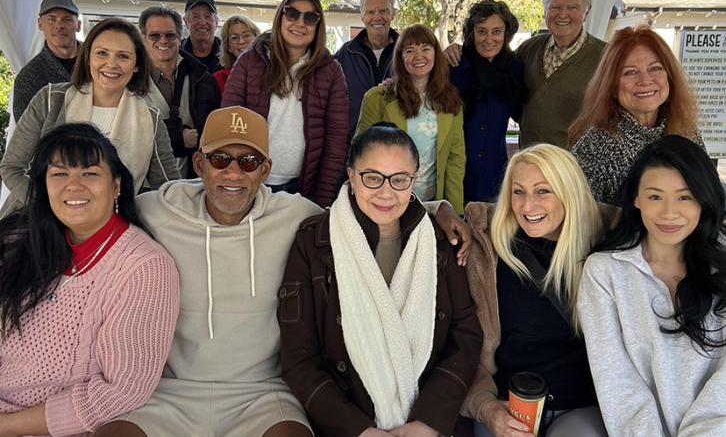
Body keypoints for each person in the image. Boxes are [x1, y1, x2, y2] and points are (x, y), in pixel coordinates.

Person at [95, 108, 469, 437]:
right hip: (170, 389)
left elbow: (368, 207)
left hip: (262, 393)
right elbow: (90, 213)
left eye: (248, 162)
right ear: (199, 164)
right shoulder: (154, 211)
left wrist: (438, 209)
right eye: (220, 158)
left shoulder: (296, 216)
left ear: (266, 169)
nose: (233, 173)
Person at [279, 123, 482, 437]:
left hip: (430, 421)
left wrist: (428, 421)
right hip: (346, 423)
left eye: (399, 180)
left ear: (414, 179)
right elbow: (298, 358)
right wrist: (358, 429)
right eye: (372, 177)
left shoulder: (440, 241)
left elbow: (466, 336)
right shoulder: (314, 242)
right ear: (351, 175)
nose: (386, 193)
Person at [0, 123, 180, 436]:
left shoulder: (144, 268)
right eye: (59, 173)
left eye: (90, 173)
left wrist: (7, 427)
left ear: (117, 185)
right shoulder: (21, 240)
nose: (73, 186)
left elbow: (123, 389)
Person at [578, 135, 726, 436]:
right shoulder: (605, 273)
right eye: (655, 196)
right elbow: (618, 383)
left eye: (685, 197)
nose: (669, 212)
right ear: (636, 198)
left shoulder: (722, 262)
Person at [462, 144, 607, 437]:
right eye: (518, 191)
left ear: (570, 192)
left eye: (543, 191)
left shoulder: (605, 248)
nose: (527, 206)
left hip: (580, 405)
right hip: (505, 403)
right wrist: (485, 407)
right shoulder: (487, 251)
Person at [0, 17, 180, 217]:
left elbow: (168, 188)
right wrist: (50, 206)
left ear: (137, 64)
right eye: (102, 53)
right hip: (39, 220)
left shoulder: (151, 119)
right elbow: (12, 167)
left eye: (123, 56)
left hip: (109, 230)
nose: (111, 64)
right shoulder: (51, 100)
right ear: (87, 57)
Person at [445, 0, 606, 149]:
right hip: (527, 164)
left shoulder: (606, 57)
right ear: (546, 10)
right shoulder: (529, 50)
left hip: (571, 170)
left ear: (586, 11)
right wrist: (454, 50)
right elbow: (494, 61)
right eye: (555, 7)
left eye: (572, 7)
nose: (563, 14)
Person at [221, 0, 348, 208]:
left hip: (303, 188)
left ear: (318, 26)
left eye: (310, 18)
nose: (300, 23)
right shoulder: (249, 62)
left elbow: (336, 141)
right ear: (281, 16)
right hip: (250, 180)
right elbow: (228, 124)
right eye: (292, 13)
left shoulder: (331, 71)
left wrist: (322, 200)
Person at [570, 25, 702, 205]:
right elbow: (577, 216)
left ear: (669, 77)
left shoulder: (688, 133)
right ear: (612, 86)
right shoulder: (594, 146)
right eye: (630, 72)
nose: (645, 80)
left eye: (655, 68)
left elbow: (708, 195)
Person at [356, 24, 465, 213]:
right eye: (410, 50)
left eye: (425, 49)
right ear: (400, 57)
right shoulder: (378, 99)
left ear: (435, 54)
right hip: (386, 201)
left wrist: (454, 211)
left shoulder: (451, 102)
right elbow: (360, 154)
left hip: (432, 203)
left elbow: (455, 159)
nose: (418, 56)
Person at [449, 0, 527, 203]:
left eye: (496, 31)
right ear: (471, 33)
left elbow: (522, 111)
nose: (489, 39)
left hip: (495, 175)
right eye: (481, 31)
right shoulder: (455, 65)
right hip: (456, 174)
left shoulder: (515, 70)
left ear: (506, 33)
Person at [139, 6, 221, 178]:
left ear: (180, 37)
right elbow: (124, 135)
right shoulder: (128, 81)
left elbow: (215, 134)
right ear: (143, 38)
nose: (163, 41)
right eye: (155, 35)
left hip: (193, 182)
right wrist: (176, 138)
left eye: (170, 35)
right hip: (143, 184)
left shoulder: (204, 80)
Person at [335, 0, 399, 136]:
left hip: (397, 147)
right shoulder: (345, 55)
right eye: (370, 12)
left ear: (393, 13)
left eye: (383, 11)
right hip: (355, 148)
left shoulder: (408, 52)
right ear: (362, 15)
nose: (377, 17)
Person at [12, 0, 81, 122]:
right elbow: (26, 134)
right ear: (40, 24)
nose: (59, 25)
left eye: (67, 19)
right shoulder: (28, 77)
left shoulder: (98, 63)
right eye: (51, 19)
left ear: (78, 25)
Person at [213, 14, 260, 93]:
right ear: (228, 46)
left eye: (246, 35)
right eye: (234, 38)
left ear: (257, 39)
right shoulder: (216, 79)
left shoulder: (271, 73)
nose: (241, 41)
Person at [182, 0, 222, 73]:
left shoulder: (228, 54)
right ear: (186, 22)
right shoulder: (176, 54)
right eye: (195, 16)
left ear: (216, 22)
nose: (203, 22)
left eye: (208, 16)